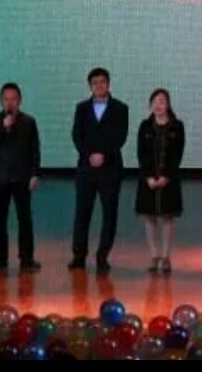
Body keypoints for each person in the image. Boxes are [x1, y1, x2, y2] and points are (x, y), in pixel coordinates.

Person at [69, 67, 129, 273]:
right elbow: (77, 135)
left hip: (110, 168)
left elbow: (120, 136)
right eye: (95, 83)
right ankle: (78, 256)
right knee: (82, 213)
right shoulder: (81, 108)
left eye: (102, 82)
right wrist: (90, 155)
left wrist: (103, 154)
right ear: (90, 86)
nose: (99, 86)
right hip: (86, 169)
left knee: (109, 214)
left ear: (108, 84)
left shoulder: (120, 108)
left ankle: (103, 256)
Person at [0, 82, 42, 273]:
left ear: (20, 100)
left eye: (13, 99)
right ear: (1, 101)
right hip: (0, 178)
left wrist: (35, 174)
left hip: (22, 178)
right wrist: (3, 127)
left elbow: (35, 150)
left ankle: (26, 258)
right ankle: (0, 259)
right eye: (6, 99)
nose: (10, 103)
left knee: (25, 220)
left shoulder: (29, 122)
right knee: (0, 220)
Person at [135, 88, 186, 274]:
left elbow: (177, 154)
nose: (158, 105)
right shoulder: (145, 126)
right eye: (155, 102)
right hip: (148, 180)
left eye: (162, 101)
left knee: (167, 217)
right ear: (151, 105)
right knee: (149, 217)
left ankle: (165, 257)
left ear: (168, 105)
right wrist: (148, 177)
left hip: (169, 179)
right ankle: (154, 255)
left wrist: (167, 176)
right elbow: (141, 153)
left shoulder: (177, 126)